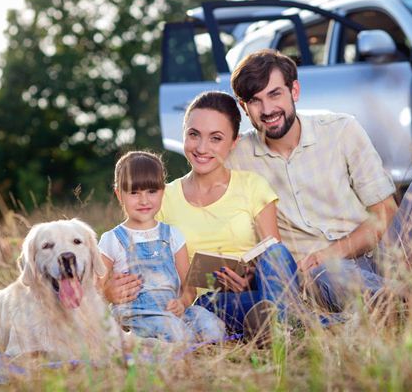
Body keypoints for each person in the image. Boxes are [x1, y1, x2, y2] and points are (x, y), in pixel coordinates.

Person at [226, 49, 412, 310]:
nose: (268, 109)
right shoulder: (236, 157)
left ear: (295, 91)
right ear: (244, 108)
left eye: (275, 94)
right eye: (255, 101)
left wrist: (331, 253)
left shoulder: (341, 130)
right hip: (325, 279)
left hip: (384, 254)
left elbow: (385, 214)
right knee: (327, 273)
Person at [104, 93, 301, 339]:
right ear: (184, 134)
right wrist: (108, 289)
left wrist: (250, 279)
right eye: (193, 134)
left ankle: (278, 324)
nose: (201, 148)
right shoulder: (162, 198)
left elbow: (275, 260)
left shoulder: (253, 186)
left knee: (275, 255)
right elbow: (132, 256)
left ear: (233, 143)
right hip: (208, 304)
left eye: (216, 138)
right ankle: (285, 323)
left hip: (260, 290)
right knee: (219, 305)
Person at [98, 151, 225, 343]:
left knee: (214, 328)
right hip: (136, 315)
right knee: (178, 334)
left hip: (172, 311)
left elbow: (188, 286)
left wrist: (182, 303)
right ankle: (136, 340)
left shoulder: (172, 235)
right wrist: (108, 291)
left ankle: (186, 345)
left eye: (151, 191)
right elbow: (96, 287)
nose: (144, 200)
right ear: (119, 194)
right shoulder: (112, 239)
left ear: (162, 192)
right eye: (134, 192)